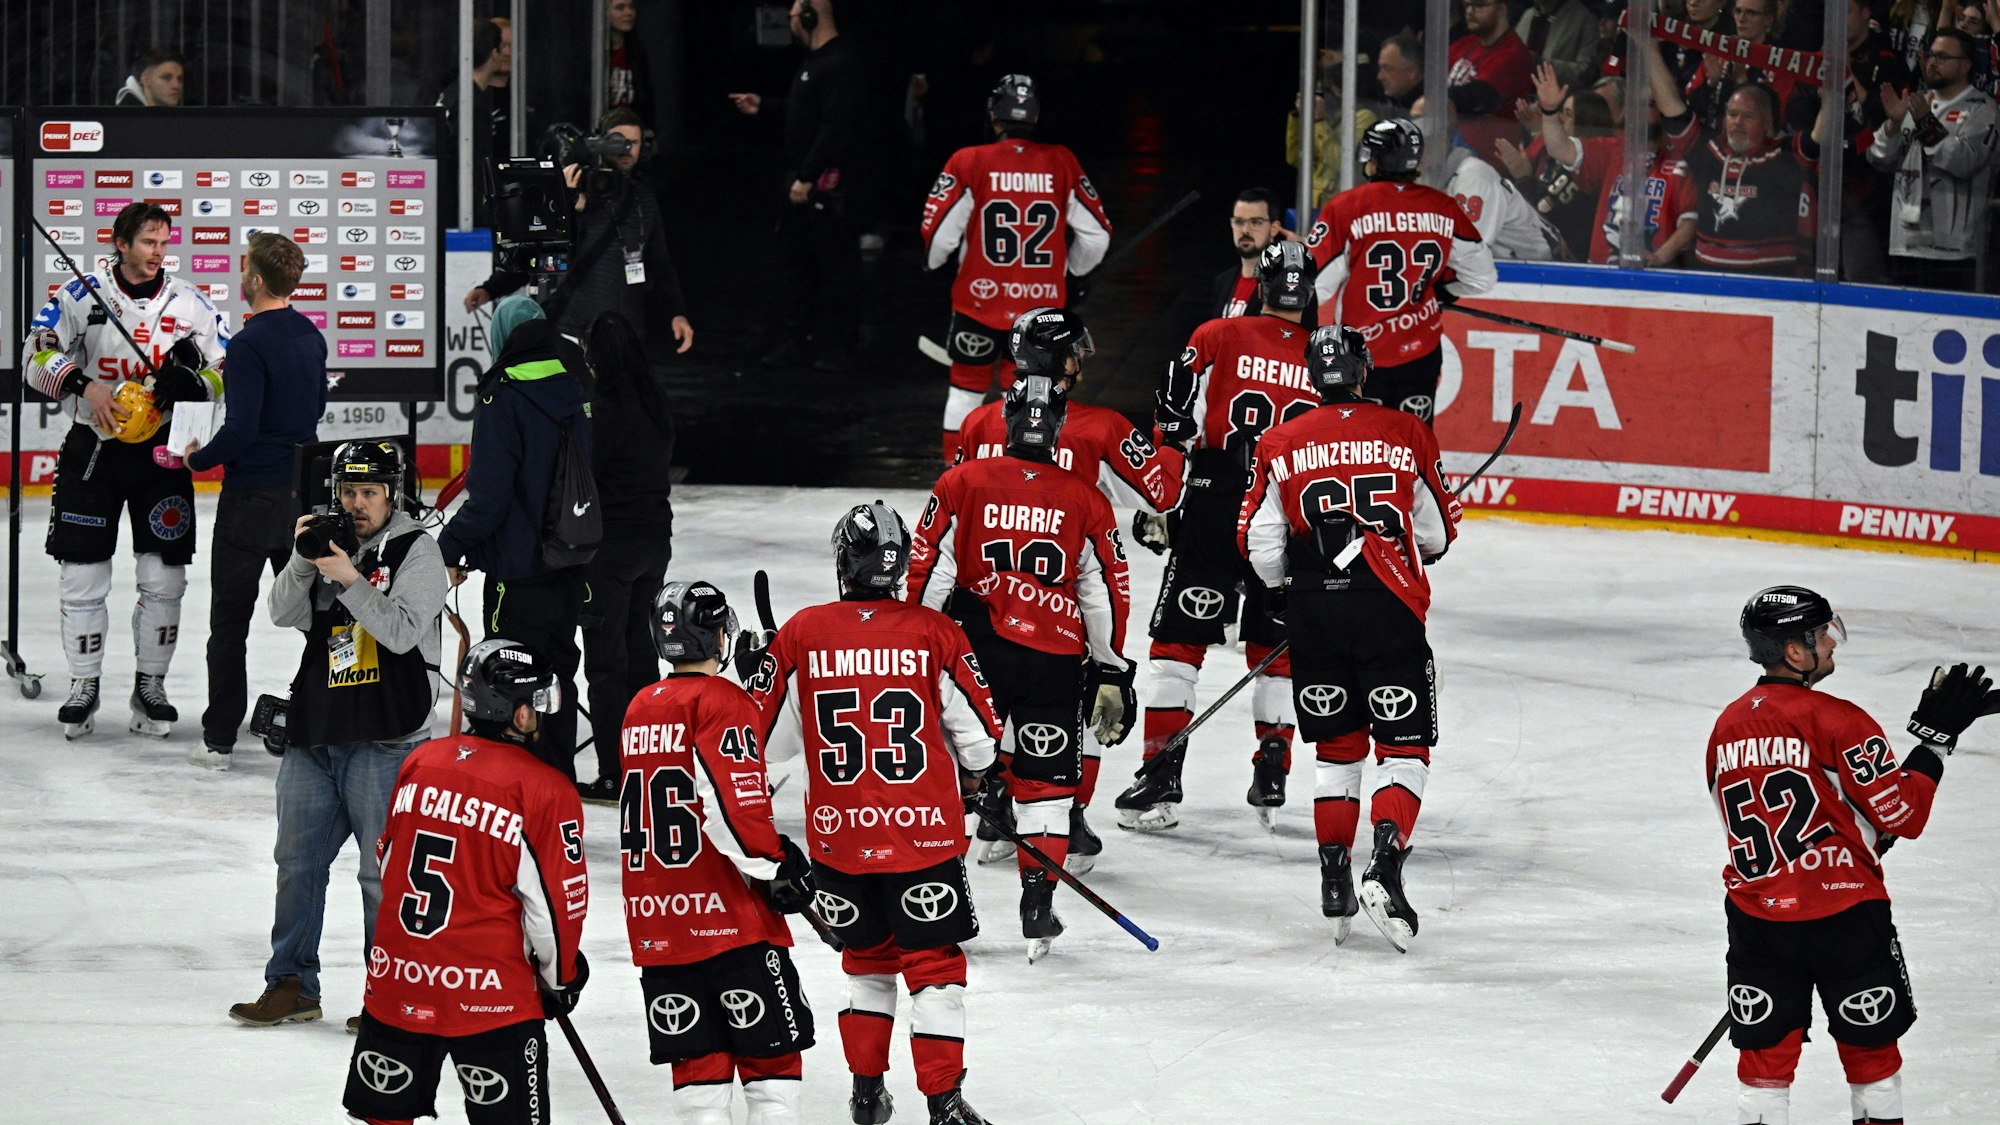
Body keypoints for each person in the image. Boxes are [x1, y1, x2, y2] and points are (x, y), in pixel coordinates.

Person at [747, 502, 1005, 1125]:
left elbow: (766, 743)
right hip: (925, 839)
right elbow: (982, 743)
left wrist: (758, 671)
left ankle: (867, 1095)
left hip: (840, 843)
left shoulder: (802, 633)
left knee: (867, 964)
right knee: (934, 969)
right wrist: (971, 777)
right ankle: (942, 1103)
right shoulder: (935, 633)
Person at [1707, 587, 1992, 1125]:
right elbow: (1901, 817)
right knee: (1872, 1054)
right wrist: (1935, 741)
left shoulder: (1725, 726)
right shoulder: (1841, 720)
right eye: (1820, 635)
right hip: (1845, 918)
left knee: (1764, 1064)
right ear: (1795, 651)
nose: (1830, 643)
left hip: (1758, 919)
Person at [906, 309, 1135, 961]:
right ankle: (1038, 900)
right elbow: (1104, 589)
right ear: (1058, 426)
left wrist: (920, 637)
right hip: (1055, 656)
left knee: (953, 773)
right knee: (1047, 786)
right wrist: (1111, 664)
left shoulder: (962, 478)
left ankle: (940, 900)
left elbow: (930, 566)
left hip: (976, 647)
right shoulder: (1084, 498)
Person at [1239, 325, 1461, 951]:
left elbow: (1260, 545)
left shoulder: (1279, 441)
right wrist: (1412, 547)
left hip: (1315, 611)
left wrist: (1296, 586)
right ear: (1364, 372)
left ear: (1313, 376)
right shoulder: (1405, 430)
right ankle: (1385, 863)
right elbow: (1439, 534)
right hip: (1389, 608)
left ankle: (1333, 875)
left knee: (1337, 749)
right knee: (1403, 745)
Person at [948, 313, 1181, 870]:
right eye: (1072, 352)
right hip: (1061, 604)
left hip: (979, 601)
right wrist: (1172, 433)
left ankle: (998, 810)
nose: (1081, 360)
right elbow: (1163, 493)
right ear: (1058, 362)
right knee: (1082, 706)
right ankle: (1066, 818)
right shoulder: (1100, 427)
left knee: (991, 706)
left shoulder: (981, 422)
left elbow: (952, 512)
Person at [230, 440, 446, 1030]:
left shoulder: (417, 551)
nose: (357, 504)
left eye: (369, 493)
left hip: (389, 737)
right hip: (319, 729)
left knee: (382, 876)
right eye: (348, 492)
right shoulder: (329, 542)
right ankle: (292, 984)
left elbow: (402, 632)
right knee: (296, 862)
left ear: (392, 493)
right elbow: (280, 612)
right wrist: (305, 559)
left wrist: (351, 578)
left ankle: (392, 997)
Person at [1113, 243, 1318, 834]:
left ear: (1261, 281)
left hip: (1214, 500)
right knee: (1271, 647)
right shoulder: (1326, 355)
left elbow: (1174, 416)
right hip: (1285, 511)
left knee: (1178, 646)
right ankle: (1273, 767)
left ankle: (1159, 776)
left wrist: (1166, 497)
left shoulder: (1217, 334)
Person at [342, 639, 590, 1124]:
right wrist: (560, 977)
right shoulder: (544, 790)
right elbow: (553, 908)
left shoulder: (422, 761)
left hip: (398, 981)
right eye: (537, 703)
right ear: (518, 715)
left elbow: (389, 862)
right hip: (490, 997)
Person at [24, 200, 229, 741]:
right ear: (120, 243)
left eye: (164, 242)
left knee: (165, 578)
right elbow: (32, 355)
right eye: (147, 242)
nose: (158, 253)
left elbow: (229, 366)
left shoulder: (191, 302)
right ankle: (83, 686)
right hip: (94, 450)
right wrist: (83, 385)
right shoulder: (80, 294)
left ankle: (150, 686)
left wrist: (198, 383)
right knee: (82, 576)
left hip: (163, 455)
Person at [620, 581, 815, 1125]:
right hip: (728, 916)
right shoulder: (722, 703)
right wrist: (774, 863)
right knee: (772, 1060)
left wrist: (748, 699)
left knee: (698, 1064)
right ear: (716, 632)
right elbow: (731, 800)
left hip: (658, 919)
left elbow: (709, 773)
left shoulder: (641, 706)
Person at [185, 234, 328, 770]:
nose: (240, 275)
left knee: (230, 622)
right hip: (299, 498)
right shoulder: (312, 337)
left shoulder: (248, 345)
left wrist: (197, 459)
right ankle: (321, 715)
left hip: (249, 501)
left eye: (245, 268)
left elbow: (241, 431)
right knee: (317, 619)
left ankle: (221, 732)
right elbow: (314, 410)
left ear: (259, 280)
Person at [918, 73, 1113, 460]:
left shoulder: (968, 161)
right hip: (1040, 311)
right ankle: (1018, 482)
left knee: (965, 389)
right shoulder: (1061, 162)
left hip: (977, 302)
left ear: (992, 115)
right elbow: (1098, 236)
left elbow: (938, 237)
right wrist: (1072, 273)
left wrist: (934, 265)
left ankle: (955, 483)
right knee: (1028, 395)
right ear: (1035, 116)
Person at [438, 296, 593, 781]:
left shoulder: (501, 394)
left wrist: (445, 549)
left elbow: (488, 499)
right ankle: (557, 793)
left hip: (518, 569)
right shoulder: (576, 386)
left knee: (508, 681)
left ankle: (511, 794)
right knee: (556, 678)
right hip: (570, 560)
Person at [1305, 119, 1497, 421]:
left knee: (1364, 447)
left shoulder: (1346, 207)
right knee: (1413, 442)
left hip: (1362, 354)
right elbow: (1482, 278)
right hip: (1422, 352)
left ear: (1375, 159)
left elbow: (1313, 286)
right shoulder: (1443, 208)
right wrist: (1442, 289)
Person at [466, 107, 694, 358]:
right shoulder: (575, 190)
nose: (627, 149)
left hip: (625, 333)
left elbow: (660, 263)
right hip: (572, 330)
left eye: (634, 143)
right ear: (601, 143)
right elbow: (541, 254)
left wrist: (677, 313)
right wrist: (491, 288)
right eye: (618, 142)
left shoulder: (643, 200)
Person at [728, 0, 865, 372]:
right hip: (801, 183)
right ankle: (798, 339)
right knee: (798, 266)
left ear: (808, 16)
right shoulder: (814, 62)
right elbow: (805, 110)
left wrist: (807, 176)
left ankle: (838, 345)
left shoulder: (840, 63)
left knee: (834, 267)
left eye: (792, 17)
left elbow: (834, 127)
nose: (790, 24)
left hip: (824, 187)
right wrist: (766, 106)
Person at [576, 312, 677, 803]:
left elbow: (585, 478)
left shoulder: (603, 409)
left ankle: (614, 772)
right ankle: (645, 764)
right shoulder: (655, 402)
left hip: (611, 549)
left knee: (605, 663)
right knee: (641, 656)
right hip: (654, 541)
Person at [1649, 30, 1835, 278]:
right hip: (1708, 286)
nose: (1737, 122)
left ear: (1768, 122)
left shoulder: (1785, 156)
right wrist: (1648, 47)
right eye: (1732, 114)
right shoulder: (1709, 151)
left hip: (1771, 288)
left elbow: (1820, 136)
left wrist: (1834, 90)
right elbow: (1671, 106)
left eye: (1748, 116)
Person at [1867, 27, 2000, 291]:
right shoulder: (1915, 104)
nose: (1932, 63)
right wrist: (1893, 125)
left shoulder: (1982, 109)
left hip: (1954, 252)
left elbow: (1965, 163)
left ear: (1965, 65)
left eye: (1942, 57)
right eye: (1930, 56)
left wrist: (1926, 122)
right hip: (1905, 245)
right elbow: (1878, 159)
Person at [1529, 61, 1698, 267]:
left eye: (1651, 105)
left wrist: (1660, 256)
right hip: (1602, 273)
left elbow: (1690, 222)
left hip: (1659, 278)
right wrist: (1549, 112)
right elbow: (1560, 149)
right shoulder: (1615, 149)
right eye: (1637, 104)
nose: (1641, 111)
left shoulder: (1684, 158)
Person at [1414, 94, 1560, 260]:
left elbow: (1467, 249)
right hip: (1506, 268)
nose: (1417, 152)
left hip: (1545, 269)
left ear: (1443, 143)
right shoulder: (1426, 177)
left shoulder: (1473, 176)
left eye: (1425, 144)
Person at [436, 17, 512, 227]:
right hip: (460, 215)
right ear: (494, 53)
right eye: (502, 47)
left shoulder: (453, 93)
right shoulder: (471, 104)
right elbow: (475, 169)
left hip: (446, 206)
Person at [1448, 0, 1537, 164]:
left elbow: (1479, 97)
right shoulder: (1464, 44)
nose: (1469, 11)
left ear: (1501, 9)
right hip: (1451, 150)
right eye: (1466, 6)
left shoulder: (1514, 54)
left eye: (1478, 5)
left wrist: (1437, 96)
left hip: (1487, 161)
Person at [1287, 86, 1379, 215]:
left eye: (1322, 93)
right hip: (1315, 205)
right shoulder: (1322, 119)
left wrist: (1318, 120)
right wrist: (1299, 117)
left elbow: (1345, 165)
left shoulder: (1363, 117)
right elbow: (1295, 158)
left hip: (1344, 205)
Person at [1210, 188, 1287, 319]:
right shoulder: (1222, 282)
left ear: (1274, 228)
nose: (1245, 230)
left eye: (1255, 222)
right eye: (1239, 222)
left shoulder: (1288, 284)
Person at [1516, 0, 1603, 88]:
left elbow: (1585, 73)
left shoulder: (1585, 20)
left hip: (1559, 98)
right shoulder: (1528, 15)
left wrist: (1538, 63)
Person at [605, 0, 657, 124]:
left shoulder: (637, 51)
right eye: (620, 8)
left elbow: (645, 96)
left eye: (631, 7)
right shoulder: (595, 53)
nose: (628, 13)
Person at [114, 47, 186, 106]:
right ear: (145, 79)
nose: (176, 85)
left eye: (180, 79)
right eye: (166, 78)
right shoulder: (122, 118)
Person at [1376, 34, 1425, 111]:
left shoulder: (1430, 110)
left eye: (1387, 69)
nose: (1380, 76)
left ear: (1412, 72)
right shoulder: (1387, 103)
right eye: (1380, 68)